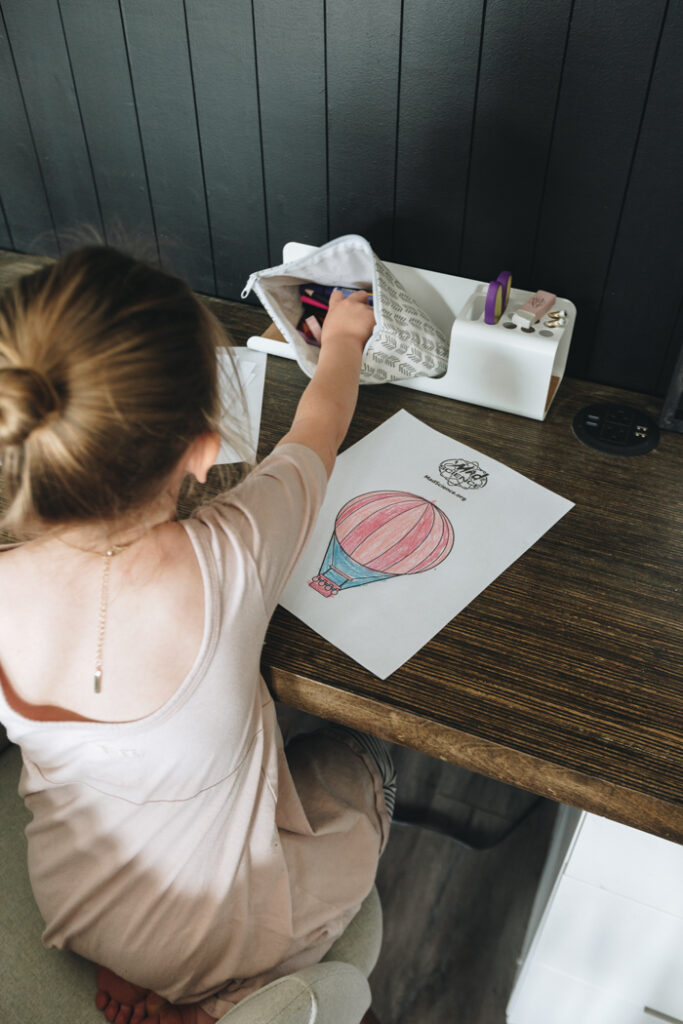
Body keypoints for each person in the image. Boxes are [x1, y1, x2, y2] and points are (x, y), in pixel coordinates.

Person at [0, 248, 395, 1024]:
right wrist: (344, 337)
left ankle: (139, 978)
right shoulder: (228, 556)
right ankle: (220, 1002)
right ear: (206, 448)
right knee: (362, 760)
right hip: (222, 930)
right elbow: (316, 431)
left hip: (79, 899)